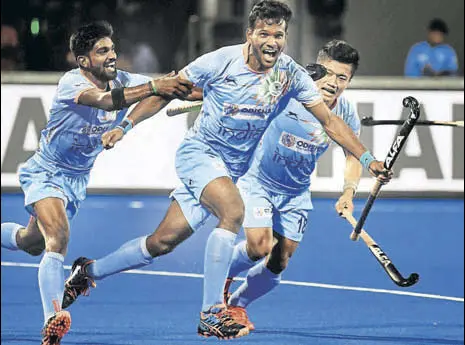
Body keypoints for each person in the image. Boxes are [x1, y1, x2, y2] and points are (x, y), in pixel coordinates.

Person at [62, 1, 390, 340]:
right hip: (200, 154)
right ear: (250, 34)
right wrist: (126, 125)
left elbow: (331, 121)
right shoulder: (220, 61)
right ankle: (211, 313)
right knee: (233, 211)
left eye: (279, 34)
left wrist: (368, 160)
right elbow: (166, 89)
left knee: (161, 242)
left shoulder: (289, 74)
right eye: (265, 33)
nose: (272, 41)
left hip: (231, 169)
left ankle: (88, 271)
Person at [0, 20, 192, 345]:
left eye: (113, 48)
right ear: (84, 61)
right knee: (58, 238)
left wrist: (200, 89)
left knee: (30, 241)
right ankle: (53, 319)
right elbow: (109, 101)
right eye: (103, 51)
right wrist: (158, 84)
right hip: (46, 172)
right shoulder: (72, 84)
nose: (112, 55)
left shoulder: (124, 79)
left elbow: (167, 90)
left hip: (75, 181)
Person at [222, 39, 366, 330]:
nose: (334, 83)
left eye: (343, 78)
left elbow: (353, 156)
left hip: (296, 192)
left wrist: (348, 193)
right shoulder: (289, 90)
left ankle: (238, 305)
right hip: (259, 180)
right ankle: (222, 277)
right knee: (259, 246)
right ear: (316, 68)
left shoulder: (346, 113)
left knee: (280, 260)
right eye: (328, 73)